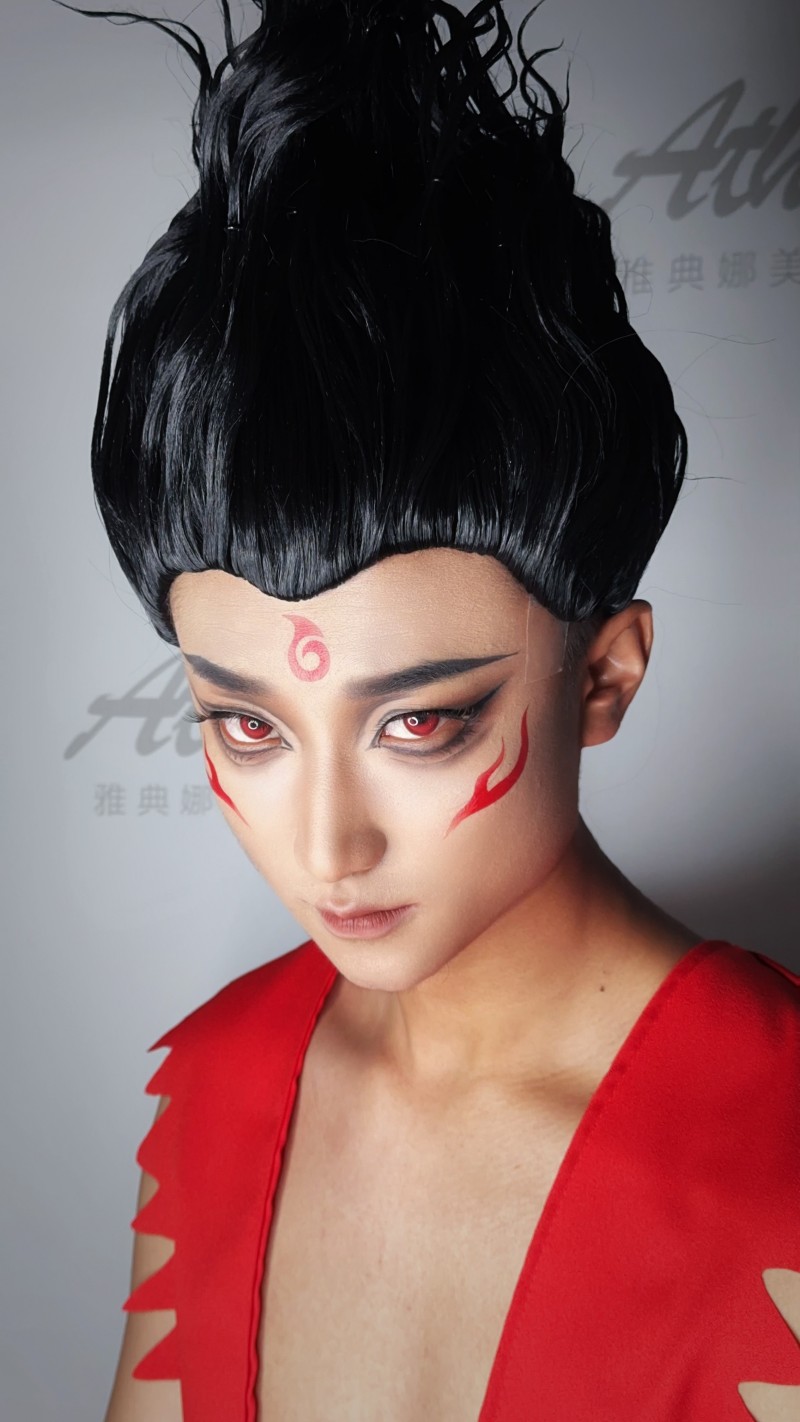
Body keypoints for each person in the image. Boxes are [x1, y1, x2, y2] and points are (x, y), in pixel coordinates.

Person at [60, 0, 799, 1418]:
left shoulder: (779, 1156)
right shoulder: (212, 1093)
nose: (327, 847)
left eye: (418, 722)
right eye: (249, 726)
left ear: (605, 676)